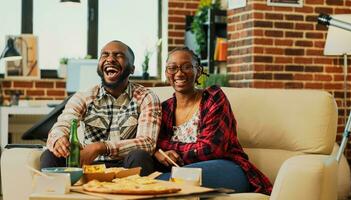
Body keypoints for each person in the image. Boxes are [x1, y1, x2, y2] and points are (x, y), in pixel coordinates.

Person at [153, 47, 272, 194]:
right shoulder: (164, 108)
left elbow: (211, 149)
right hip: (180, 171)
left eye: (187, 67)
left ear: (198, 71)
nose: (179, 73)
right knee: (158, 180)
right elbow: (153, 143)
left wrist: (169, 148)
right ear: (166, 73)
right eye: (172, 68)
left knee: (158, 183)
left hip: (226, 167)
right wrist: (159, 152)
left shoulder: (214, 98)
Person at [41, 40, 162, 176]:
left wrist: (101, 147)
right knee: (50, 155)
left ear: (132, 69)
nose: (110, 59)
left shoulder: (147, 97)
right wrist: (59, 139)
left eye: (118, 55)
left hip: (126, 167)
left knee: (140, 155)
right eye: (105, 55)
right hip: (87, 164)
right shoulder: (84, 96)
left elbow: (147, 143)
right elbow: (62, 124)